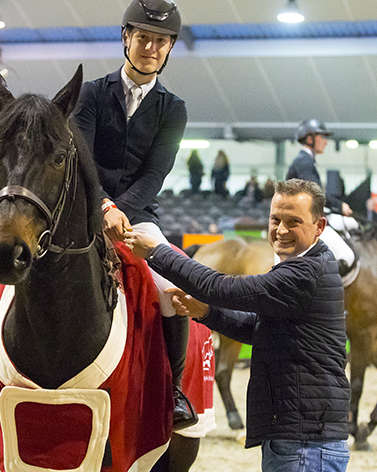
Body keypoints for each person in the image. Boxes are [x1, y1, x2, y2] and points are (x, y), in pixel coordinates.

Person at [125, 179, 351, 472]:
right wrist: (206, 313)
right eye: (275, 220)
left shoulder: (305, 273)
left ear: (319, 227)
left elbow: (223, 287)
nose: (281, 231)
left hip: (305, 445)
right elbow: (259, 330)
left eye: (294, 222)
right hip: (294, 438)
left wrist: (158, 252)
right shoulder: (302, 265)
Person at [71, 0, 197, 431]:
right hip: (85, 205)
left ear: (169, 48)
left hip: (140, 213)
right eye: (143, 36)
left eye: (161, 41)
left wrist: (120, 213)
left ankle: (174, 390)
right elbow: (83, 160)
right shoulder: (90, 93)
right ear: (126, 37)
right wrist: (102, 206)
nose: (151, 47)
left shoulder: (174, 109)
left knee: (168, 288)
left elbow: (155, 174)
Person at [287, 118, 357, 275]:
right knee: (348, 256)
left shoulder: (308, 161)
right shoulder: (304, 162)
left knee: (353, 224)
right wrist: (340, 206)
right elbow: (316, 195)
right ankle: (322, 289)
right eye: (322, 137)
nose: (325, 142)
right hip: (305, 223)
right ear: (310, 138)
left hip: (312, 217)